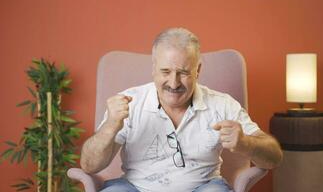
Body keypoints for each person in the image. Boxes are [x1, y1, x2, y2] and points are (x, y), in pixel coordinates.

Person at [80, 27, 283, 192]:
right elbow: (89, 165)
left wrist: (246, 143)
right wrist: (110, 127)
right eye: (165, 71)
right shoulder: (129, 102)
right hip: (135, 188)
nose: (174, 83)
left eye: (184, 72)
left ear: (198, 71)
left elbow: (274, 158)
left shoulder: (222, 104)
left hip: (203, 188)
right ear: (153, 69)